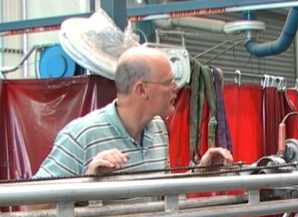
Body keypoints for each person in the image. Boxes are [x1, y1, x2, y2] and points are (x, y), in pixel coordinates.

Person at [35, 45, 232, 178]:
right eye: (168, 83)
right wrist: (88, 183)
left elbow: (161, 193)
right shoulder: (81, 135)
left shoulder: (158, 129)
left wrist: (199, 173)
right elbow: (34, 206)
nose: (176, 88)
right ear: (141, 89)